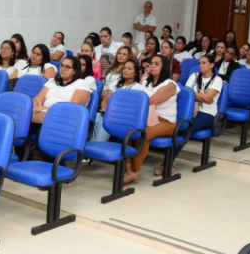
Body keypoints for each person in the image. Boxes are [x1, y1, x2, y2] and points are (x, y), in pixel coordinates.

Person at [126, 55, 180, 184]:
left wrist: (140, 89)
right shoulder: (146, 81)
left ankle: (134, 170)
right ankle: (128, 169)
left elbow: (151, 100)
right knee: (127, 131)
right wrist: (142, 80)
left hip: (166, 121)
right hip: (147, 118)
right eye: (151, 64)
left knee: (144, 134)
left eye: (157, 64)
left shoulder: (170, 85)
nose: (152, 66)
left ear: (164, 67)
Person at [172, 55, 222, 168]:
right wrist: (202, 98)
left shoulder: (217, 80)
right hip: (191, 110)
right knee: (175, 125)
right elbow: (187, 95)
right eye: (199, 63)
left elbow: (207, 98)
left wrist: (197, 96)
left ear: (212, 65)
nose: (200, 65)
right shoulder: (194, 76)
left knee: (186, 128)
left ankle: (169, 162)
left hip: (208, 114)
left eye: (204, 63)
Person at [31, 55, 91, 124]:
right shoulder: (52, 81)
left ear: (75, 71)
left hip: (63, 120)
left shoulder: (82, 84)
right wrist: (37, 105)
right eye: (62, 65)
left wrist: (46, 108)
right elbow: (36, 99)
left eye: (67, 67)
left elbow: (72, 109)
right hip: (42, 115)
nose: (63, 69)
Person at [92, 60, 143, 142]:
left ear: (136, 73)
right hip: (108, 112)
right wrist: (104, 110)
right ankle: (86, 144)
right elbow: (105, 100)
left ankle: (96, 145)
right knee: (92, 118)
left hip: (121, 117)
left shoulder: (138, 88)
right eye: (124, 68)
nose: (125, 70)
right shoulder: (116, 83)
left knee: (104, 122)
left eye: (129, 69)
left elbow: (131, 109)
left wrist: (110, 114)